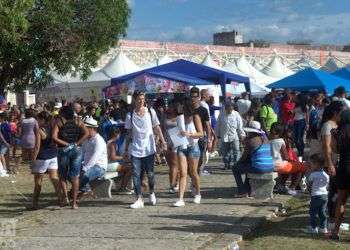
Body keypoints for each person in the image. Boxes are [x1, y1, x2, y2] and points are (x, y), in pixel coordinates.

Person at [124, 91, 167, 209]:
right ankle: (139, 198)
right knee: (136, 174)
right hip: (135, 149)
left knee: (150, 174)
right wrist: (126, 149)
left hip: (149, 149)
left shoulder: (151, 112)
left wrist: (163, 142)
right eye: (139, 99)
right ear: (134, 100)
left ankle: (152, 192)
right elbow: (128, 133)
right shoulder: (130, 115)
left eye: (143, 99)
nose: (141, 101)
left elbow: (157, 127)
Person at [52, 105, 89, 209]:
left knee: (62, 175)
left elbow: (54, 137)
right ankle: (74, 203)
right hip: (77, 150)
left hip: (63, 150)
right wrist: (77, 143)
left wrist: (65, 144)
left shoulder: (59, 122)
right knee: (75, 176)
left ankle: (65, 199)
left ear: (63, 113)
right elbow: (86, 133)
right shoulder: (78, 121)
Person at [173, 98, 203, 207]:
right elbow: (176, 132)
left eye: (182, 106)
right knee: (183, 173)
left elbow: (201, 134)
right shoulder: (179, 118)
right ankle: (180, 198)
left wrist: (189, 134)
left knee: (193, 172)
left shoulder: (195, 117)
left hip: (193, 146)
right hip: (182, 146)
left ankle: (198, 194)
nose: (180, 108)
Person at [233, 121, 274, 197]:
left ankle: (242, 191)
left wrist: (237, 163)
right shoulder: (265, 139)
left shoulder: (251, 141)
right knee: (248, 166)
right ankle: (247, 188)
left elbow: (244, 157)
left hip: (260, 167)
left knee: (235, 168)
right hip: (270, 166)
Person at [320, 101, 344, 228]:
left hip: (341, 162)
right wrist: (330, 164)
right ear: (336, 112)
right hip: (332, 162)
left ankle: (335, 219)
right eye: (342, 111)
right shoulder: (328, 125)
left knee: (339, 191)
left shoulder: (338, 124)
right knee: (335, 191)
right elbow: (326, 146)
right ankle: (332, 219)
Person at [31, 111, 59, 210]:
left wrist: (33, 160)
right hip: (53, 155)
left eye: (38, 119)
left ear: (42, 119)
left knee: (38, 181)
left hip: (42, 157)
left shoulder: (39, 130)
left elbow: (37, 146)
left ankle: (35, 203)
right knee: (54, 179)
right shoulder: (54, 127)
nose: (37, 121)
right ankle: (62, 198)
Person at [270, 123, 305, 195]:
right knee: (302, 167)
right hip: (278, 165)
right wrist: (292, 160)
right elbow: (286, 157)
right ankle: (292, 188)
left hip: (270, 165)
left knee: (289, 166)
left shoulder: (269, 141)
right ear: (281, 132)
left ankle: (281, 185)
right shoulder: (280, 141)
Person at [330, 110, 350, 240]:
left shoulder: (337, 132)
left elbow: (335, 150)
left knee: (341, 200)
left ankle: (336, 232)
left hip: (344, 167)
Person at [79, 117, 108, 198]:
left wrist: (84, 169)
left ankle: (83, 190)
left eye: (85, 128)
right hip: (87, 165)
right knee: (70, 173)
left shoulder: (99, 141)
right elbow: (81, 153)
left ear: (91, 128)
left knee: (84, 176)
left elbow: (94, 158)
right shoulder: (86, 139)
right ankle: (86, 189)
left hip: (99, 167)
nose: (83, 130)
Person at [216, 102, 245, 170]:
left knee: (236, 151)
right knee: (225, 152)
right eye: (228, 109)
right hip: (224, 136)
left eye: (231, 109)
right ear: (225, 109)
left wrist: (242, 134)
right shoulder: (221, 114)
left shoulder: (236, 114)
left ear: (233, 109)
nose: (229, 111)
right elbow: (218, 125)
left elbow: (240, 126)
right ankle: (227, 164)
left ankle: (236, 165)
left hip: (234, 136)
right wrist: (217, 135)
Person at [305, 154, 329, 235]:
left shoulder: (313, 175)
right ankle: (323, 228)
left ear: (316, 164)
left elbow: (309, 186)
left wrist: (308, 190)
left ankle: (313, 228)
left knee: (313, 213)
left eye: (311, 163)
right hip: (325, 196)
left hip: (315, 196)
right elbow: (327, 186)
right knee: (322, 212)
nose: (310, 165)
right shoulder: (326, 175)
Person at [190, 87, 211, 175]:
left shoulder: (203, 110)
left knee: (200, 159)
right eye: (191, 96)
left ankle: (196, 174)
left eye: (195, 96)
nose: (193, 99)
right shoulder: (188, 109)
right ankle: (194, 174)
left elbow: (207, 125)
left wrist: (209, 139)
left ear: (199, 97)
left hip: (201, 138)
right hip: (189, 138)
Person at [107, 125, 132, 193]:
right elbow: (113, 157)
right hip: (109, 165)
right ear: (116, 134)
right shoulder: (112, 144)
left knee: (127, 165)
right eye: (119, 133)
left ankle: (122, 186)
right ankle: (122, 188)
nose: (120, 135)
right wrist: (123, 158)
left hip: (109, 164)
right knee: (130, 168)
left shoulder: (108, 141)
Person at [163, 100, 180, 193]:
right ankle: (175, 183)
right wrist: (161, 141)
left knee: (174, 165)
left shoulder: (179, 117)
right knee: (172, 166)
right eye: (168, 105)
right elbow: (161, 128)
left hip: (176, 142)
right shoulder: (165, 116)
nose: (169, 107)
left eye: (171, 105)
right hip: (167, 142)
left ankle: (172, 185)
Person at [293, 94, 309, 158]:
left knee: (300, 138)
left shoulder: (305, 106)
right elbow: (294, 114)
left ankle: (301, 152)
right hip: (295, 121)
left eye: (297, 98)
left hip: (301, 122)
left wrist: (307, 124)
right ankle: (300, 151)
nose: (296, 99)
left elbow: (307, 116)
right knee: (296, 139)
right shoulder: (296, 105)